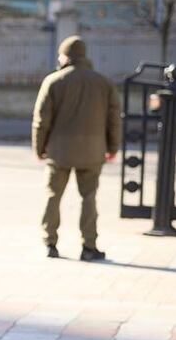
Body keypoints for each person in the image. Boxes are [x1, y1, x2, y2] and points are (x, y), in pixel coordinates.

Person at [32, 35, 121, 261]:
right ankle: (89, 247)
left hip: (58, 151)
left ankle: (49, 243)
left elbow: (41, 120)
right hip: (93, 150)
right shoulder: (103, 83)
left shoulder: (53, 81)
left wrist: (39, 148)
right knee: (89, 198)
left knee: (53, 196)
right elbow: (114, 119)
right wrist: (113, 147)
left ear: (65, 56)